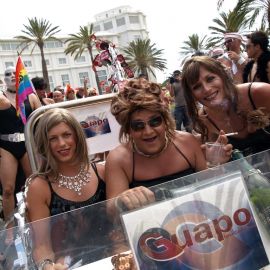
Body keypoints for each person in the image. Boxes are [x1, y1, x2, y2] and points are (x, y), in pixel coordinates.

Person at [105, 79, 231, 207]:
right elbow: (111, 210)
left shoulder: (187, 142)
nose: (148, 131)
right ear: (128, 129)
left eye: (155, 121)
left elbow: (212, 188)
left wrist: (215, 163)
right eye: (138, 126)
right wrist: (121, 201)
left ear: (165, 121)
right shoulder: (118, 159)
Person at [25, 108, 106, 269]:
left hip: (110, 259)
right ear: (44, 144)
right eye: (52, 138)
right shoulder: (39, 187)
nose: (61, 143)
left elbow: (118, 223)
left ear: (77, 136)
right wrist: (47, 265)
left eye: (66, 135)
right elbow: (42, 245)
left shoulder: (102, 172)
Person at [181, 56, 270, 157]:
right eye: (197, 87)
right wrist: (214, 161)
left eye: (210, 79)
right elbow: (211, 165)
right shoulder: (203, 121)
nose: (206, 89)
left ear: (223, 75)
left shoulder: (258, 93)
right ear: (191, 94)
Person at [0, 66, 41, 241]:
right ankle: (9, 230)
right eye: (7, 74)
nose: (11, 77)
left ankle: (38, 220)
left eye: (14, 74)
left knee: (34, 184)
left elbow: (41, 119)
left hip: (27, 144)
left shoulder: (31, 96)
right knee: (8, 190)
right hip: (6, 145)